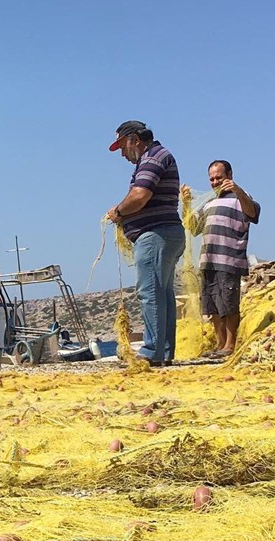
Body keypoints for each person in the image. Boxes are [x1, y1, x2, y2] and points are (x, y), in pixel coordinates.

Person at [106, 120, 186, 366]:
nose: (122, 153)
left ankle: (152, 351)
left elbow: (139, 196)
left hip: (155, 234)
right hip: (167, 233)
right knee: (162, 292)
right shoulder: (155, 157)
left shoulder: (152, 158)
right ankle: (164, 351)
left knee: (150, 292)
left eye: (122, 146)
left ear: (134, 140)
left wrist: (118, 212)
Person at [181, 161, 260, 357]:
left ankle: (230, 346)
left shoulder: (241, 198)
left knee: (229, 304)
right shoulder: (208, 202)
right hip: (208, 261)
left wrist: (238, 190)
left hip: (229, 260)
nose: (215, 182)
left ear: (230, 175)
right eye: (212, 179)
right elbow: (193, 227)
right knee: (212, 306)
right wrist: (187, 204)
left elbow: (253, 212)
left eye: (219, 177)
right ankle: (220, 344)